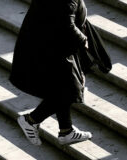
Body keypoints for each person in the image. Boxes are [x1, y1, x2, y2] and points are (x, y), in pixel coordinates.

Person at [10, 0, 111, 146]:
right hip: (51, 47)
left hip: (48, 43)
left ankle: (66, 130)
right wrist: (83, 39)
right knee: (69, 89)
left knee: (61, 85)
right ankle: (31, 120)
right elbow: (66, 23)